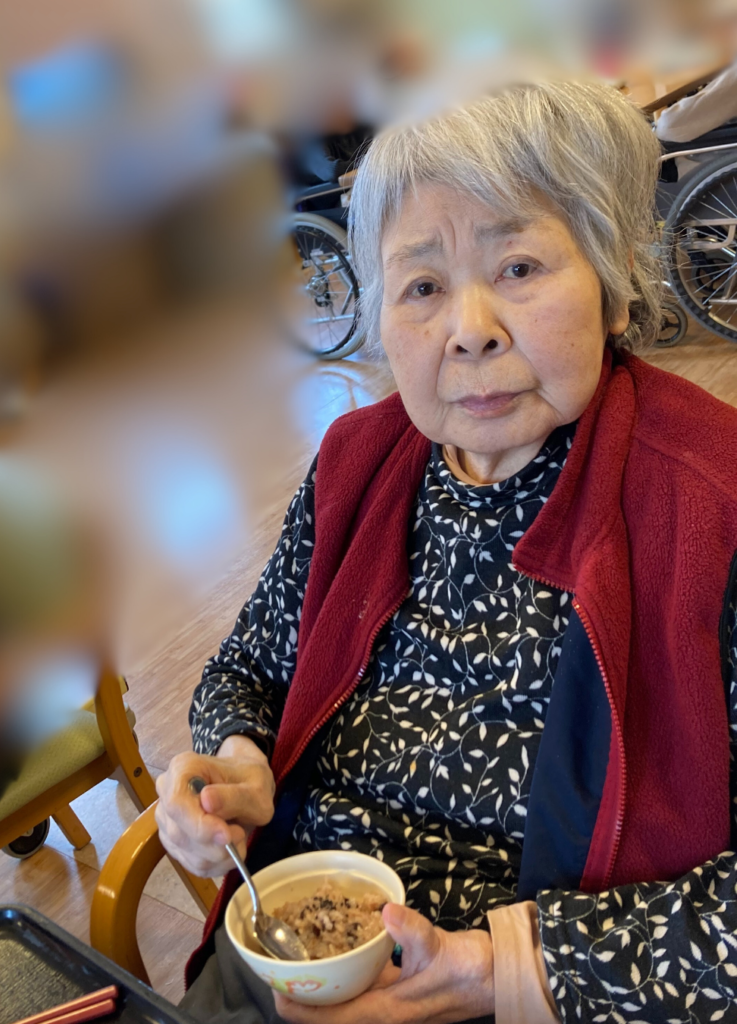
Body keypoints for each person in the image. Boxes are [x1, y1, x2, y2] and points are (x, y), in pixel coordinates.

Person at [156, 80, 737, 1024]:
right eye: (422, 286)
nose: (470, 330)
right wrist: (237, 759)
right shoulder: (357, 460)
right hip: (297, 955)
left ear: (613, 284)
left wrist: (497, 969)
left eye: (517, 266)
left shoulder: (714, 498)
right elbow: (248, 667)